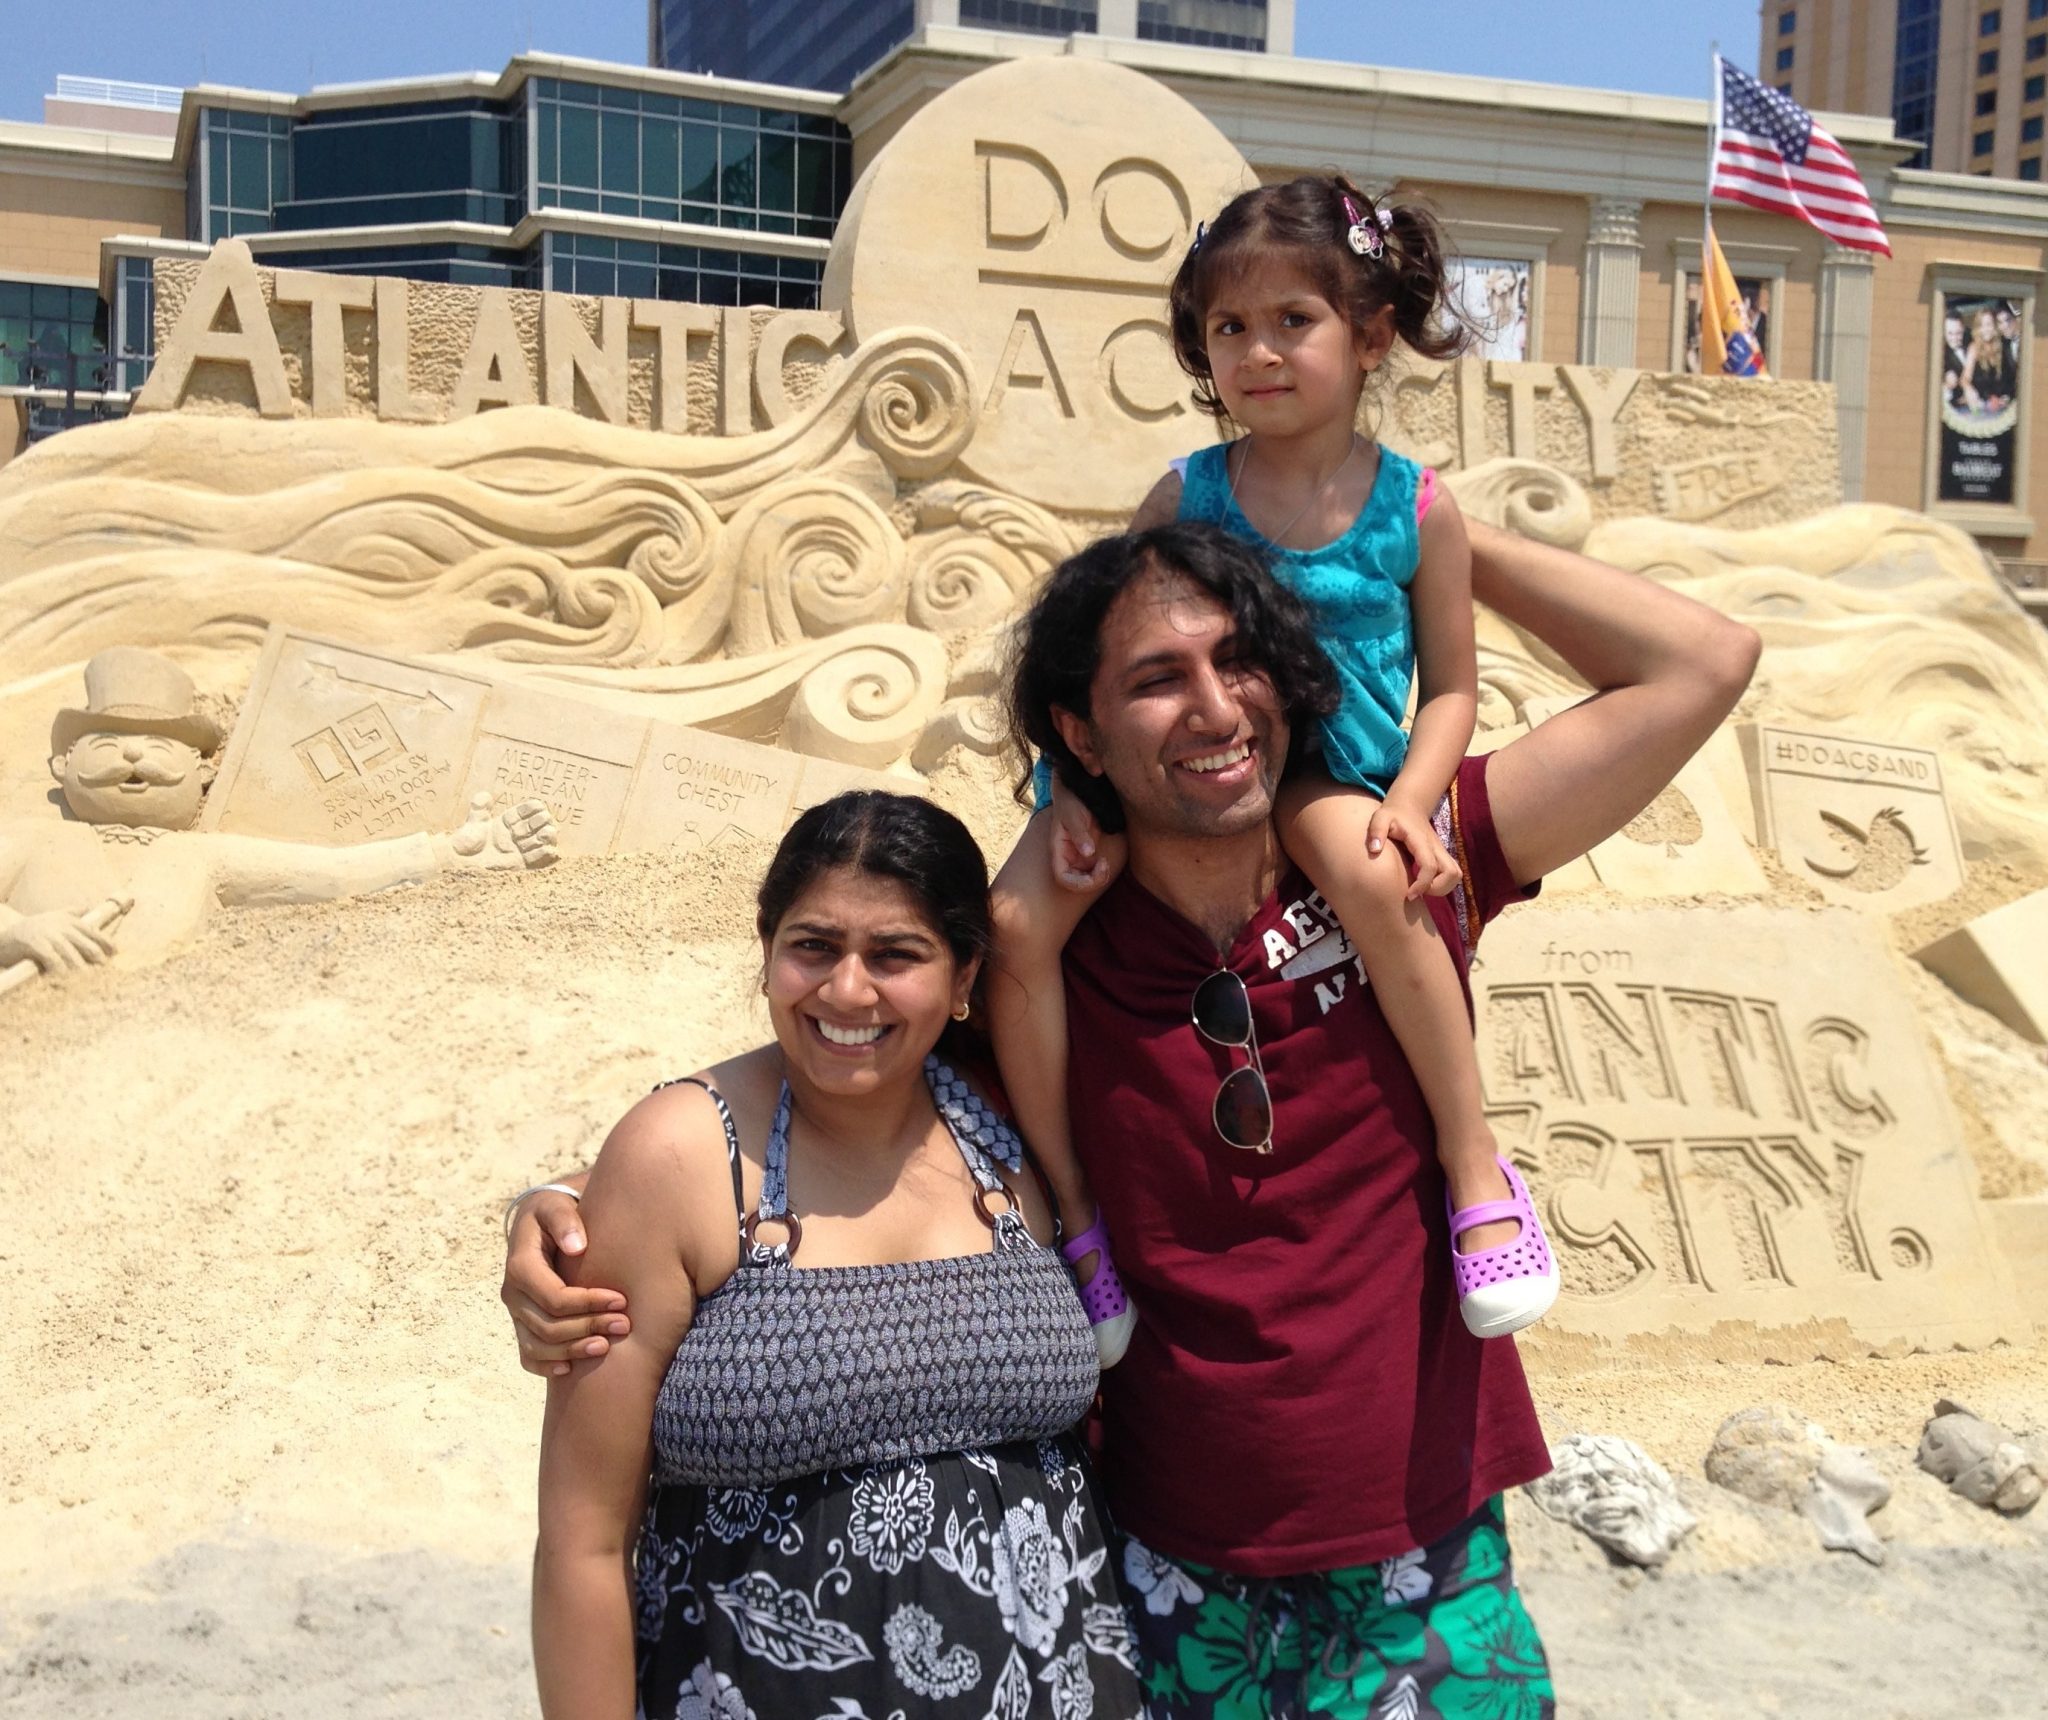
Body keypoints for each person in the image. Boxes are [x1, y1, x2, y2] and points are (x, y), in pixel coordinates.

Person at [506, 510, 1759, 1717]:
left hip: (1423, 1563)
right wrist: (567, 1210)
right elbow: (845, 1048)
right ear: (1080, 734)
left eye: (1241, 661)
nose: (1214, 709)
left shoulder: (1405, 863)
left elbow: (1702, 662)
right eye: (1157, 678)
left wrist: (1403, 522)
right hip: (1149, 1575)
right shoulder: (1037, 971)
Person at [991, 175, 1555, 1359]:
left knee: (1367, 878)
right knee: (1011, 926)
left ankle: (1471, 1163)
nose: (1256, 352)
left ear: (1368, 333)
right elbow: (1114, 650)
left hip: (1327, 769)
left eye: (1290, 321)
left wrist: (1409, 801)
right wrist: (1069, 800)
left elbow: (1452, 685)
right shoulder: (1188, 493)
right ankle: (1071, 1214)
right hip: (1180, 770)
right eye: (1227, 329)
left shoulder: (1417, 507)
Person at [529, 790, 1145, 1720]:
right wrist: (547, 1209)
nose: (846, 991)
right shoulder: (679, 1155)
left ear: (966, 974)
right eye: (813, 946)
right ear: (768, 950)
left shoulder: (1018, 1132)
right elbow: (581, 1538)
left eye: (896, 955)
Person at [1961, 304, 2017, 415]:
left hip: (2002, 406)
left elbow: (2011, 379)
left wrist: (2006, 397)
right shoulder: (1974, 348)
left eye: (1989, 324)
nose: (1985, 329)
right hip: (1981, 405)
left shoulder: (2003, 346)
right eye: (1982, 325)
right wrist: (1969, 389)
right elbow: (1965, 379)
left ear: (1995, 326)